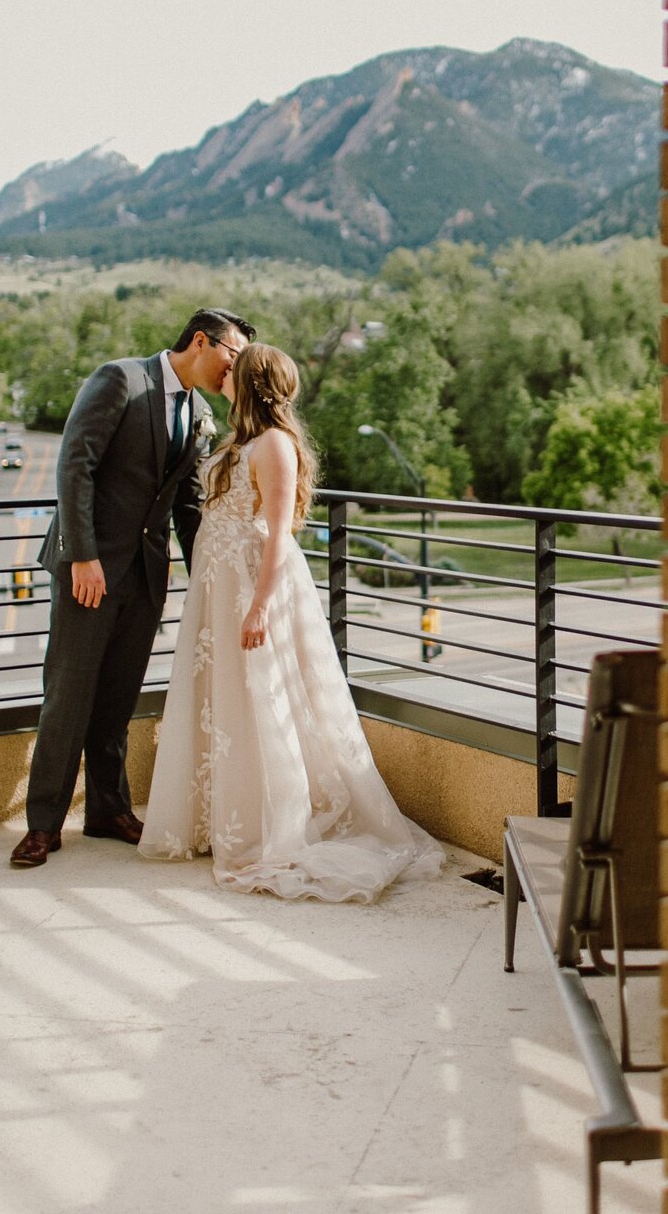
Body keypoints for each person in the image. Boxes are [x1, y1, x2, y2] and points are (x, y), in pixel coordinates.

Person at [139, 342, 444, 900]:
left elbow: (280, 533)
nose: (223, 374)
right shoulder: (240, 440)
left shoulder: (275, 445)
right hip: (219, 589)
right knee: (227, 695)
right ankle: (225, 814)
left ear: (252, 382)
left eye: (234, 370)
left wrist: (258, 607)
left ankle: (274, 823)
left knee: (267, 698)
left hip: (256, 588)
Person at [10, 308, 255, 868]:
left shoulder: (197, 412)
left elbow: (189, 508)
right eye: (233, 355)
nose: (233, 370)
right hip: (88, 573)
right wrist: (83, 556)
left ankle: (107, 810)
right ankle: (42, 827)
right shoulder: (121, 378)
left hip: (146, 578)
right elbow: (76, 465)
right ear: (202, 341)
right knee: (67, 699)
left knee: (117, 702)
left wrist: (208, 584)